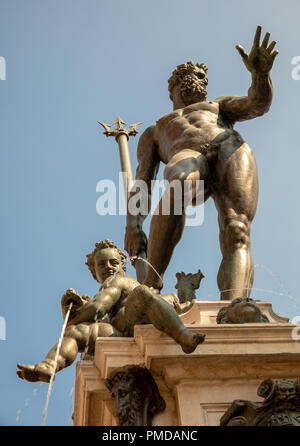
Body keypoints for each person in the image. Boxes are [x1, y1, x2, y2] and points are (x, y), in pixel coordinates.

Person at [125, 26, 278, 300]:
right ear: (175, 85)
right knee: (179, 182)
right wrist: (133, 226)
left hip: (228, 146)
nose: (200, 79)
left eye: (203, 76)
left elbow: (258, 103)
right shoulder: (156, 130)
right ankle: (151, 286)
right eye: (193, 75)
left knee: (237, 228)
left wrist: (260, 75)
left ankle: (235, 304)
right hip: (185, 154)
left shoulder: (219, 105)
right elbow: (142, 182)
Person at [17, 239, 205, 383]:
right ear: (94, 272)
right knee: (76, 332)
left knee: (141, 293)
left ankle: (183, 336)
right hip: (120, 327)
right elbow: (98, 310)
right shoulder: (106, 285)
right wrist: (73, 316)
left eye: (113, 262)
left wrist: (73, 316)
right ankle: (49, 365)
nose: (108, 267)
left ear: (122, 264)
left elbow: (99, 308)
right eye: (101, 264)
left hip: (135, 317)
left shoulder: (119, 280)